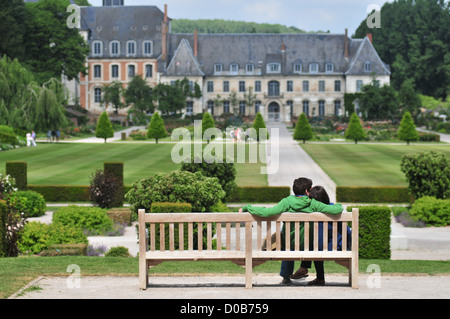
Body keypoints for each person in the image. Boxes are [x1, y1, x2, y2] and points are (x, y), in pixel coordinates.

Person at [239, 177, 343, 285]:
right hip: (307, 246)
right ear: (307, 191)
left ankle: (286, 276)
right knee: (311, 241)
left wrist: (248, 207)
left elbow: (267, 212)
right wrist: (338, 205)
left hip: (290, 244)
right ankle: (311, 272)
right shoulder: (313, 203)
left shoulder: (287, 201)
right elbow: (337, 209)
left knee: (286, 242)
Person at [291, 185, 352, 286]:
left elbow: (319, 241)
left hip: (328, 247)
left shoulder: (317, 215)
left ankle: (316, 275)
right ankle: (304, 269)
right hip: (342, 246)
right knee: (316, 246)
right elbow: (348, 231)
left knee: (314, 246)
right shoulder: (334, 207)